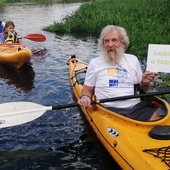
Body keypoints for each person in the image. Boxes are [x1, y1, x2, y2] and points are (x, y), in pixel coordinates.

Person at [78, 25, 163, 122]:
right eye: (106, 41)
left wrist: (144, 82)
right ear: (103, 44)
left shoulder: (133, 60)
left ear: (122, 43)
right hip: (108, 111)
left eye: (114, 40)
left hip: (137, 108)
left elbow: (139, 91)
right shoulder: (94, 63)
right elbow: (87, 89)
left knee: (163, 114)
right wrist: (85, 97)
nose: (110, 45)